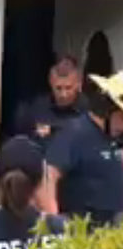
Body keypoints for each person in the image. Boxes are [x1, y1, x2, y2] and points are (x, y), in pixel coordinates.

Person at [43, 72, 123, 229]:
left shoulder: (114, 137)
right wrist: (53, 222)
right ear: (108, 111)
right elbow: (48, 176)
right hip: (82, 232)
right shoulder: (75, 133)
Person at [13, 56, 86, 149]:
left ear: (78, 84)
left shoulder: (89, 112)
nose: (63, 94)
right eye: (58, 88)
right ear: (51, 83)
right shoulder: (37, 108)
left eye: (68, 88)